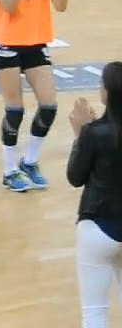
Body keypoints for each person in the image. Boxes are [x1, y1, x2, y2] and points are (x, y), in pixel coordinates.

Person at [0, 0, 75, 192]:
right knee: (15, 110)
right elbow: (7, 3)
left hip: (35, 44)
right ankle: (9, 170)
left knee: (49, 107)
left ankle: (30, 161)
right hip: (6, 44)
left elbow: (60, 5)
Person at [67, 62, 122, 328]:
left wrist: (80, 135)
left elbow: (75, 177)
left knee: (95, 311)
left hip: (98, 227)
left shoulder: (93, 133)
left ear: (107, 93)